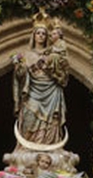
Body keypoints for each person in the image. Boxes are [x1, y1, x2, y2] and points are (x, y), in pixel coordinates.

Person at [13, 12, 68, 147]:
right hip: (31, 91)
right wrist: (20, 69)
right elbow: (19, 77)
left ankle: (49, 149)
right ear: (33, 35)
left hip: (51, 91)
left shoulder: (52, 53)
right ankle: (27, 148)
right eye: (38, 33)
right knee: (29, 118)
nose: (41, 36)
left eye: (44, 33)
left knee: (51, 122)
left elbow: (63, 73)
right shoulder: (26, 55)